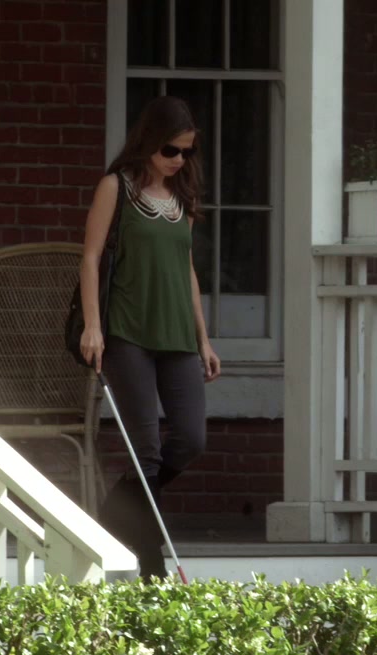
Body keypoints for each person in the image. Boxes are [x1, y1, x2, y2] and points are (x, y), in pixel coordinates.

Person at [78, 96, 221, 578]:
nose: (179, 159)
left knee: (192, 438)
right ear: (148, 142)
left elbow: (187, 270)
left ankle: (118, 509)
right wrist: (93, 326)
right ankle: (152, 563)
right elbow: (90, 258)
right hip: (128, 332)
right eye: (170, 150)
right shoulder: (115, 187)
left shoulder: (182, 197)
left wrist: (203, 339)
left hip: (177, 333)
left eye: (187, 151)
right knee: (147, 452)